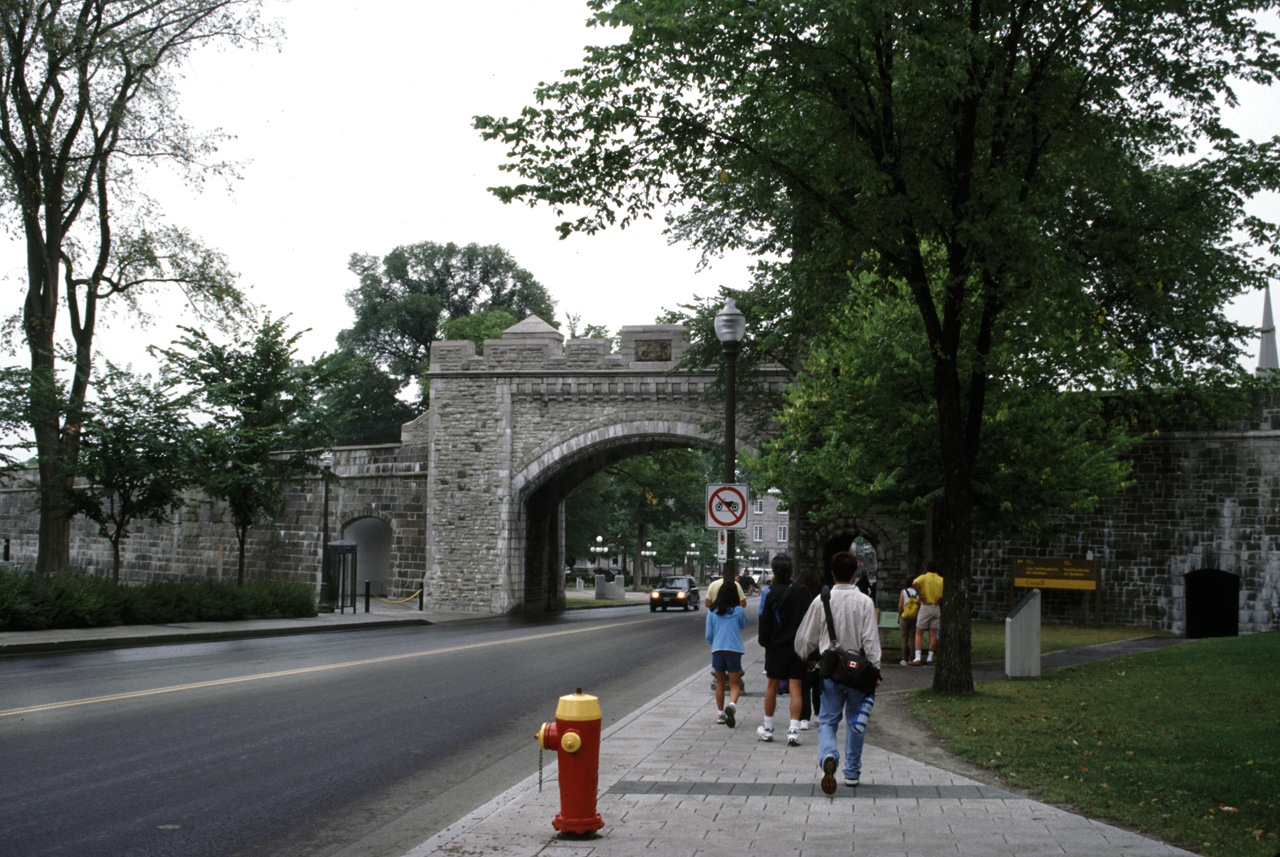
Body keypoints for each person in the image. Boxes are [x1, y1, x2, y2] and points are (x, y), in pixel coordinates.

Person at [794, 551, 881, 793]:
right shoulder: (864, 601)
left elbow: (803, 640)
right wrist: (876, 671)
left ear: (832, 573)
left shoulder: (822, 600)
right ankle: (852, 773)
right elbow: (871, 641)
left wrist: (805, 653)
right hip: (858, 672)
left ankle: (828, 758)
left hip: (830, 670)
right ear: (855, 574)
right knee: (855, 722)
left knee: (828, 722)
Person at [755, 555, 814, 747]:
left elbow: (764, 621)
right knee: (796, 687)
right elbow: (809, 619)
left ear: (773, 572)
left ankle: (768, 727)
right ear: (791, 572)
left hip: (776, 647)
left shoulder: (768, 592)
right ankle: (794, 731)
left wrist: (765, 643)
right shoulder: (802, 591)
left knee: (772, 685)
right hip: (797, 647)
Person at [705, 575, 747, 728]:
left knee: (720, 683)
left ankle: (720, 713)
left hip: (717, 650)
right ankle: (732, 705)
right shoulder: (738, 611)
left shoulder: (712, 611)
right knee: (735, 684)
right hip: (734, 650)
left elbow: (708, 635)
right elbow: (743, 624)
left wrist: (714, 642)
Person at [911, 561, 944, 665]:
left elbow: (914, 583)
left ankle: (917, 657)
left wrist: (920, 594)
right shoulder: (941, 579)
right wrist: (938, 599)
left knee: (919, 633)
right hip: (936, 607)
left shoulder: (924, 577)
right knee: (933, 634)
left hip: (926, 606)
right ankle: (930, 658)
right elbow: (943, 593)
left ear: (927, 569)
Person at [897, 578, 919, 666]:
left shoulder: (904, 591)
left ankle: (904, 659)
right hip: (914, 617)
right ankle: (911, 658)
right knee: (913, 638)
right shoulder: (918, 592)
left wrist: (899, 615)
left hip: (904, 616)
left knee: (904, 638)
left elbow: (900, 605)